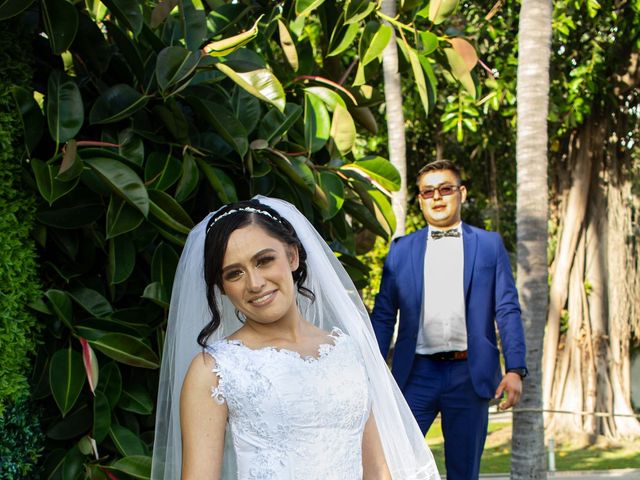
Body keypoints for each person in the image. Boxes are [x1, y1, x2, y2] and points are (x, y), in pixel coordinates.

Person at [151, 196, 440, 480]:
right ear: (222, 287)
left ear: (292, 256)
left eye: (264, 261)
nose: (255, 283)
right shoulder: (214, 371)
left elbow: (377, 471)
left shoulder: (346, 350)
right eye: (234, 273)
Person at [370, 160, 527, 480]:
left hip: (468, 376)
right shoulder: (400, 250)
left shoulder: (489, 245)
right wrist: (369, 369)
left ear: (461, 193)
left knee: (464, 473)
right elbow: (385, 315)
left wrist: (514, 368)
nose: (437, 197)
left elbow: (507, 308)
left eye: (445, 189)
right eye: (428, 192)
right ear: (420, 200)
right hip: (415, 375)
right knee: (393, 463)